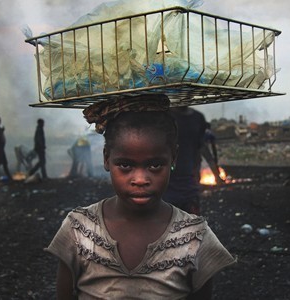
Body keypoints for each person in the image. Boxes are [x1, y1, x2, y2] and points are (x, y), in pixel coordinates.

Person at [47, 95, 235, 299]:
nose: (140, 179)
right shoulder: (79, 229)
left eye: (154, 165)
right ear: (106, 158)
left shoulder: (196, 237)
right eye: (126, 165)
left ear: (173, 158)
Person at [165, 106, 210, 214]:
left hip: (189, 186)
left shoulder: (197, 118)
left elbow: (200, 148)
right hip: (166, 186)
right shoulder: (163, 116)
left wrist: (214, 173)